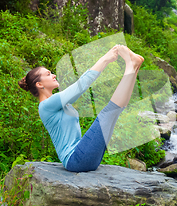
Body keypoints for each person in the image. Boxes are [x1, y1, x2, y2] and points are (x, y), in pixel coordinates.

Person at [18, 44, 144, 172]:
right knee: (108, 112)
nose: (54, 75)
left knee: (114, 111)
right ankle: (131, 65)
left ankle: (133, 67)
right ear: (39, 84)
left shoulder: (59, 103)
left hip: (83, 157)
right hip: (76, 160)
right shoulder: (46, 105)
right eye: (48, 74)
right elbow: (81, 85)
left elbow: (80, 88)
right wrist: (105, 59)